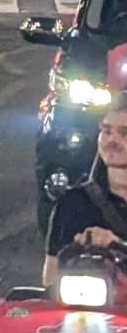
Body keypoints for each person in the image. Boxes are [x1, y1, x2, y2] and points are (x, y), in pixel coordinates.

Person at [46, 106, 127, 267]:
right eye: (106, 131)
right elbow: (52, 276)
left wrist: (118, 245)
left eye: (125, 133)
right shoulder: (73, 203)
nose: (112, 141)